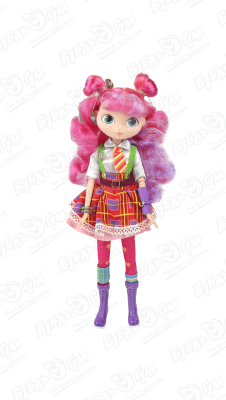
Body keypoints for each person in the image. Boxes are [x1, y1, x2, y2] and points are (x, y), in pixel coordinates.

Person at [66, 73, 175, 327]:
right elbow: (91, 180)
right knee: (102, 258)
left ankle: (132, 308)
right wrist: (87, 208)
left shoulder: (134, 152)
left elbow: (141, 179)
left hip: (127, 203)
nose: (118, 128)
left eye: (131, 122)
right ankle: (102, 307)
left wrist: (146, 207)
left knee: (130, 257)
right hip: (103, 203)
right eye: (109, 119)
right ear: (96, 117)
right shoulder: (99, 153)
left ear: (143, 123)